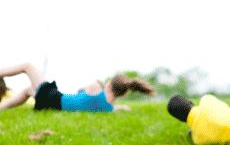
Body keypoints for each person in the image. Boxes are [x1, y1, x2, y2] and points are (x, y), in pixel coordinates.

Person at [0, 62, 155, 113]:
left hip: (55, 98)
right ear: (122, 94)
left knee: (27, 66)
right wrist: (123, 107)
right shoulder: (107, 108)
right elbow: (120, 109)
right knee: (29, 90)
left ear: (109, 84)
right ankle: (2, 108)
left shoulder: (96, 88)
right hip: (54, 105)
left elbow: (80, 89)